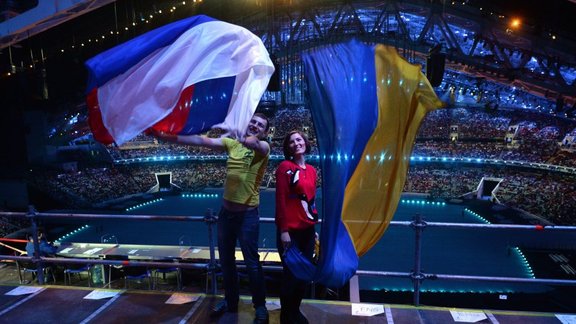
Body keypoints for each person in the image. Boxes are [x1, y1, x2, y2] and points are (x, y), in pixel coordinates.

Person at [153, 113, 271, 324]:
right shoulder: (232, 143)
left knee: (252, 264)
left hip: (247, 215)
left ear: (265, 131)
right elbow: (200, 140)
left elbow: (257, 145)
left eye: (260, 125)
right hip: (226, 214)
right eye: (252, 121)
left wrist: (245, 137)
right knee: (226, 262)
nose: (255, 125)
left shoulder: (263, 148)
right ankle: (230, 302)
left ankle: (260, 307)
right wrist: (166, 136)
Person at [275, 130, 319, 324]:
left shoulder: (311, 170)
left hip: (307, 231)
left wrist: (313, 225)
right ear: (288, 148)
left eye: (299, 139)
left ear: (305, 142)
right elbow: (281, 200)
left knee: (303, 277)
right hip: (290, 232)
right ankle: (286, 315)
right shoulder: (285, 167)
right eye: (291, 142)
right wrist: (283, 231)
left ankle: (295, 310)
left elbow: (310, 201)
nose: (296, 143)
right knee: (290, 277)